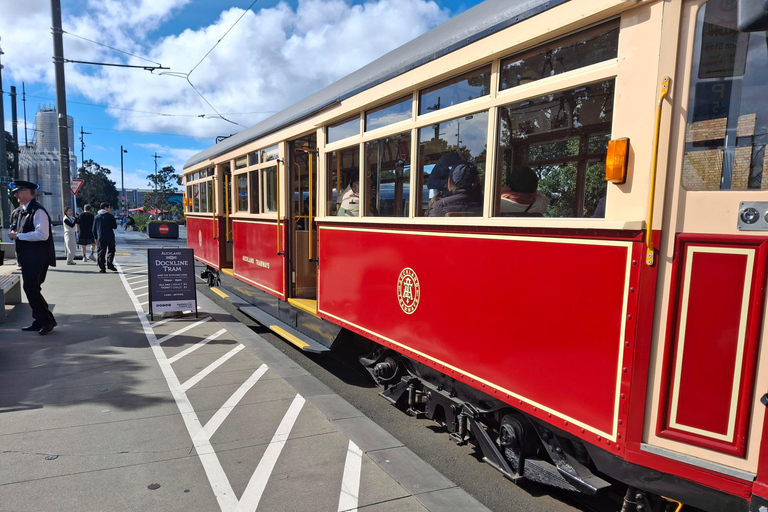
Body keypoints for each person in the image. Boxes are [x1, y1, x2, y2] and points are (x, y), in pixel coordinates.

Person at [7, 181, 57, 335]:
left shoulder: (38, 211)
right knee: (32, 288)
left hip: (38, 258)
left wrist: (18, 236)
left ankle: (47, 320)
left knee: (31, 288)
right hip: (27, 257)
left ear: (27, 192)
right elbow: (16, 228)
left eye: (18, 192)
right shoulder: (19, 211)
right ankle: (40, 319)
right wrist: (13, 232)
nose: (15, 195)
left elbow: (42, 235)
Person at [93, 202, 118, 273]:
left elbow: (94, 228)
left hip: (100, 237)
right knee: (111, 250)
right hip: (110, 236)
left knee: (101, 252)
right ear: (105, 208)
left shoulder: (97, 216)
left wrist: (95, 237)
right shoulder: (110, 216)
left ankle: (102, 268)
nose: (110, 209)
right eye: (109, 208)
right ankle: (110, 264)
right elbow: (115, 226)